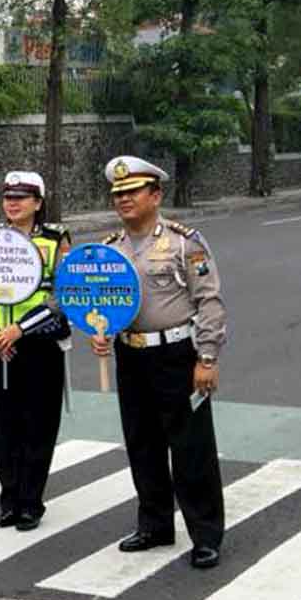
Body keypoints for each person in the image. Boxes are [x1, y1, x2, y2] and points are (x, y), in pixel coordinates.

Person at [92, 155, 227, 569]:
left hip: (177, 356)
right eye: (118, 194)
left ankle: (205, 534)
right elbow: (100, 303)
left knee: (191, 447)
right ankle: (154, 525)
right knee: (142, 443)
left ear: (156, 194)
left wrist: (207, 358)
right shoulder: (108, 251)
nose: (123, 200)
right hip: (131, 355)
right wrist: (100, 331)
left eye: (132, 192)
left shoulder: (185, 242)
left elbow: (209, 302)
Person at [0, 172, 71, 531]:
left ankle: (30, 501)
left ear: (38, 203)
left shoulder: (56, 240)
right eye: (8, 196)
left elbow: (62, 296)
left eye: (22, 197)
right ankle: (9, 499)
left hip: (38, 344)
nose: (13, 203)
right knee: (3, 423)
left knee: (38, 424)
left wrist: (19, 330)